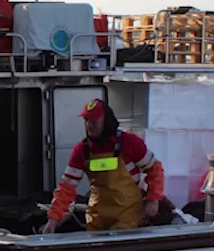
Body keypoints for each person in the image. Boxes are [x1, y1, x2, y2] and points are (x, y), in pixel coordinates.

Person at [41, 98, 166, 233]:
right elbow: (66, 188)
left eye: (93, 121)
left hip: (129, 218)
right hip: (97, 220)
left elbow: (155, 169)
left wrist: (153, 200)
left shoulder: (130, 143)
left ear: (106, 122)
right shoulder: (81, 150)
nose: (89, 125)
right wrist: (53, 219)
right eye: (86, 120)